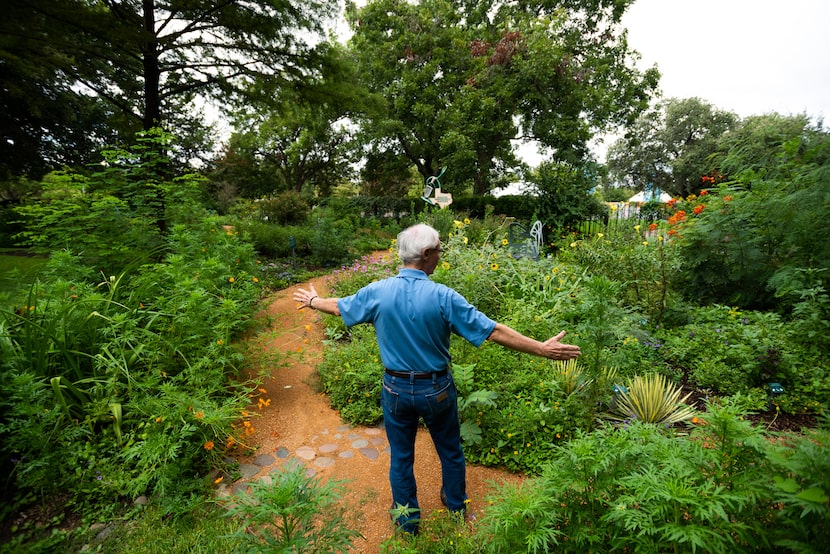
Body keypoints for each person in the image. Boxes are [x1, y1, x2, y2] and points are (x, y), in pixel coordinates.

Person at [293, 223, 580, 534]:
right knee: (451, 450)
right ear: (427, 255)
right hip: (437, 389)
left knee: (401, 458)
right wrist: (541, 348)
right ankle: (457, 507)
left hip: (396, 389)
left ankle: (406, 522)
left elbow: (339, 307)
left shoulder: (378, 292)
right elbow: (493, 331)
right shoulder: (443, 296)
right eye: (440, 250)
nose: (441, 255)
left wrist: (312, 302)